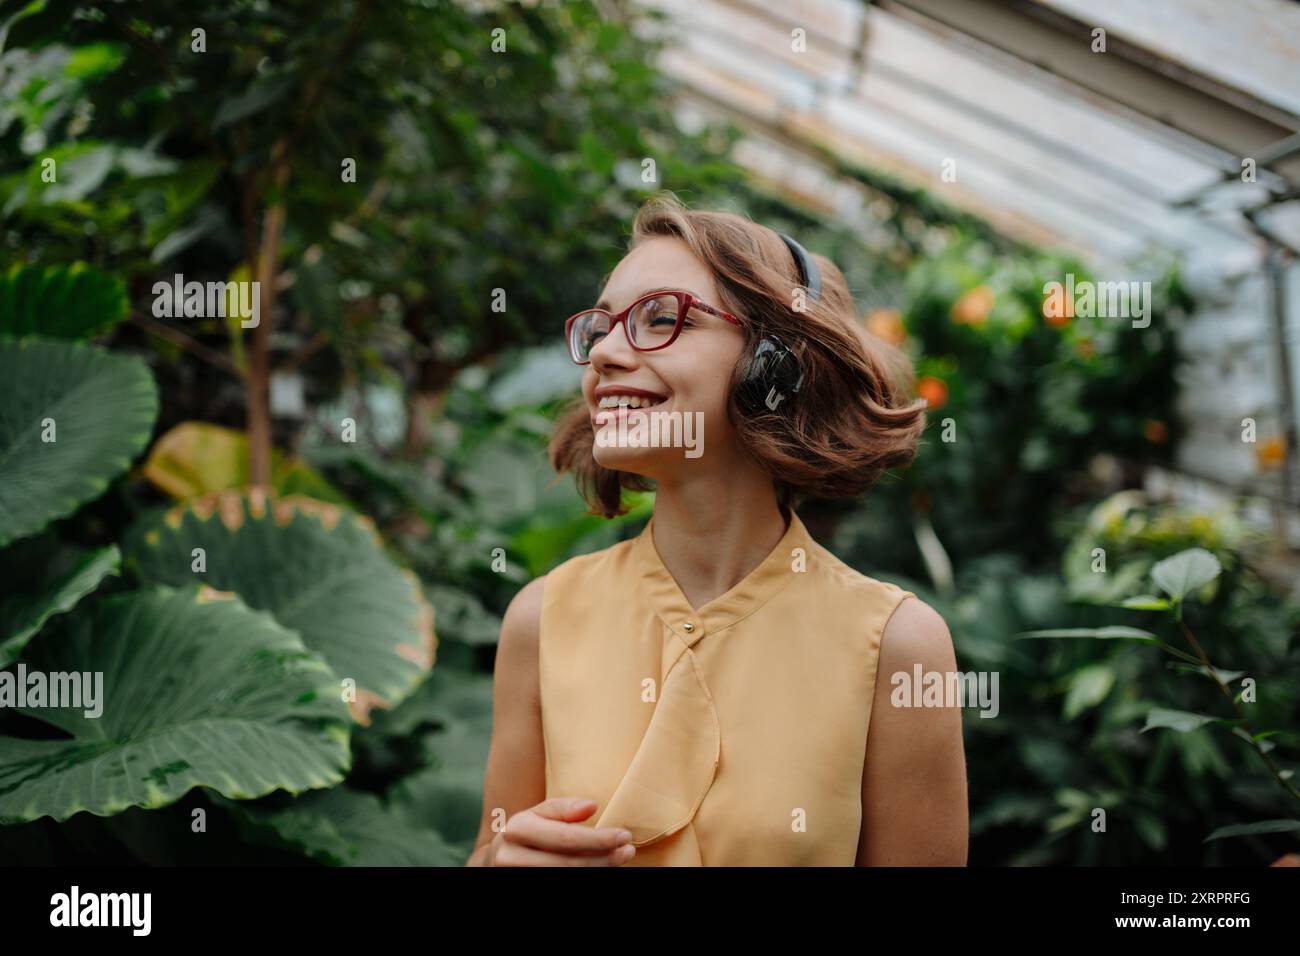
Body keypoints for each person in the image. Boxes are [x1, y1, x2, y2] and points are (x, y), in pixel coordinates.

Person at [466, 193, 968, 866]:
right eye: (602, 327)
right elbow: (490, 849)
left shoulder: (896, 646)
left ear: (775, 363)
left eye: (661, 319)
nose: (606, 354)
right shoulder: (541, 619)